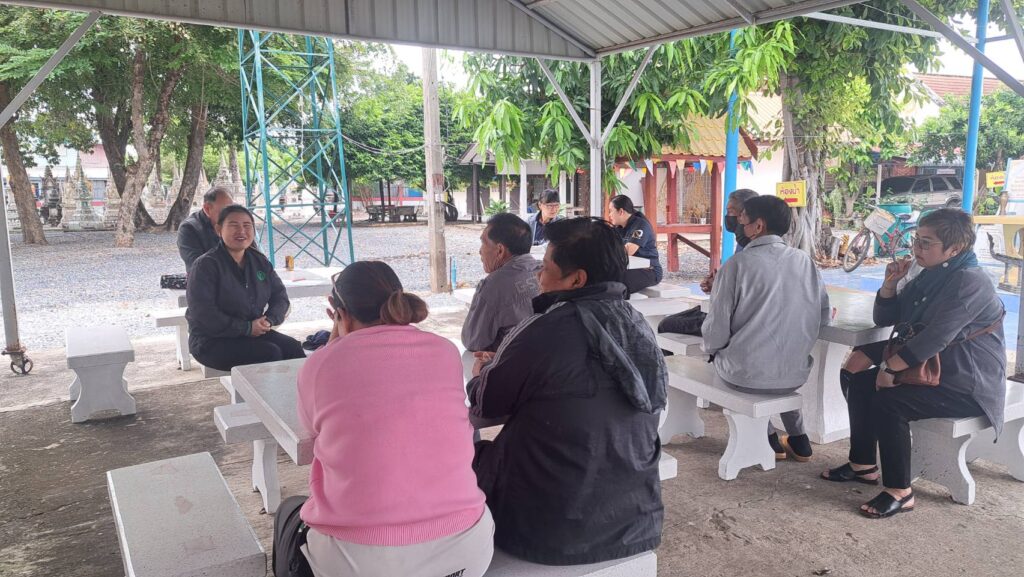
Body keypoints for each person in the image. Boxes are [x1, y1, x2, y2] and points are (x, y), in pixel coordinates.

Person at [273, 261, 494, 577]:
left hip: (360, 563)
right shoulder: (445, 350)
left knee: (288, 511)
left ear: (338, 313)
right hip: (468, 552)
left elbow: (311, 433)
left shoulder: (321, 365)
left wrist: (332, 349)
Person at [468, 217, 667, 565]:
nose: (538, 277)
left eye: (545, 268)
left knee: (463, 453)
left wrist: (483, 372)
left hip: (548, 530)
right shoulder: (638, 325)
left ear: (576, 280)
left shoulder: (546, 329)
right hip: (635, 518)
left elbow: (487, 404)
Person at [822, 208, 1005, 518]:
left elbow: (936, 337)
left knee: (889, 402)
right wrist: (890, 285)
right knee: (861, 382)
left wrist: (890, 368)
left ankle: (900, 491)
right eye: (916, 240)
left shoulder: (970, 282)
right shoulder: (929, 274)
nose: (917, 248)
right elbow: (886, 319)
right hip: (934, 367)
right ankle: (862, 464)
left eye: (926, 243)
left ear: (955, 248)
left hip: (967, 383)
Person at [702, 195, 829, 461]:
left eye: (742, 219)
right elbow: (823, 315)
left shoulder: (737, 264)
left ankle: (769, 436)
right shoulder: (804, 261)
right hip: (795, 372)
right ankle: (799, 439)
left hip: (745, 375)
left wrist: (711, 351)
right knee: (775, 368)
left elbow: (716, 329)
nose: (738, 225)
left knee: (731, 364)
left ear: (758, 226)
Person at [185, 205, 305, 371]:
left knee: (293, 348)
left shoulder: (259, 262)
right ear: (219, 230)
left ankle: (297, 389)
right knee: (269, 353)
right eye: (234, 225)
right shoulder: (206, 265)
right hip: (211, 340)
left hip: (252, 333)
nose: (241, 231)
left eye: (247, 225)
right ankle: (266, 390)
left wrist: (269, 320)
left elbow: (280, 297)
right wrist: (246, 328)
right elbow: (203, 313)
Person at [461, 213, 541, 353]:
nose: (480, 251)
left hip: (517, 362)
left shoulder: (494, 285)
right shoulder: (545, 270)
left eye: (483, 243)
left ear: (500, 250)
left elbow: (472, 341)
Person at [700, 188, 758, 293]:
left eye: (731, 211)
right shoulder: (742, 244)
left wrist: (722, 283)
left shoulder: (760, 252)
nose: (728, 216)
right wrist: (718, 282)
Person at [607, 195, 662, 294]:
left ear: (621, 211)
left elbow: (628, 251)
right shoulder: (618, 228)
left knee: (617, 282)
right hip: (630, 268)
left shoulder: (641, 225)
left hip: (649, 270)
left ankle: (616, 304)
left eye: (611, 211)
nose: (609, 215)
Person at [177, 185, 234, 272]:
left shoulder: (236, 223)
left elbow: (252, 255)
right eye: (225, 211)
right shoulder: (189, 228)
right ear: (207, 209)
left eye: (231, 210)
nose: (229, 215)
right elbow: (197, 265)